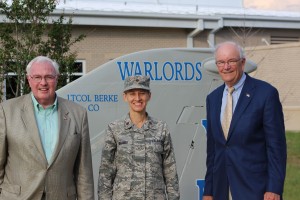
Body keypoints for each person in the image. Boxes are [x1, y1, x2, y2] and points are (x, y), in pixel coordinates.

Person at [0, 56, 94, 200]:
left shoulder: (78, 114)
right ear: (28, 79)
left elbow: (84, 172)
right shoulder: (6, 111)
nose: (43, 83)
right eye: (37, 77)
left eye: (49, 77)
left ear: (57, 78)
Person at [203, 41, 287, 200]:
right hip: (222, 189)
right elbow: (213, 151)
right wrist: (209, 190)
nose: (226, 67)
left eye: (231, 61)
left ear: (242, 63)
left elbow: (276, 148)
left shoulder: (266, 94)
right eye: (221, 62)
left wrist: (274, 188)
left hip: (256, 189)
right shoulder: (212, 99)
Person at [98, 75, 180, 200]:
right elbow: (106, 172)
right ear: (125, 97)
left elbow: (170, 171)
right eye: (132, 94)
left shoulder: (161, 128)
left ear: (149, 96)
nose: (137, 98)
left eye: (142, 93)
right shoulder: (114, 129)